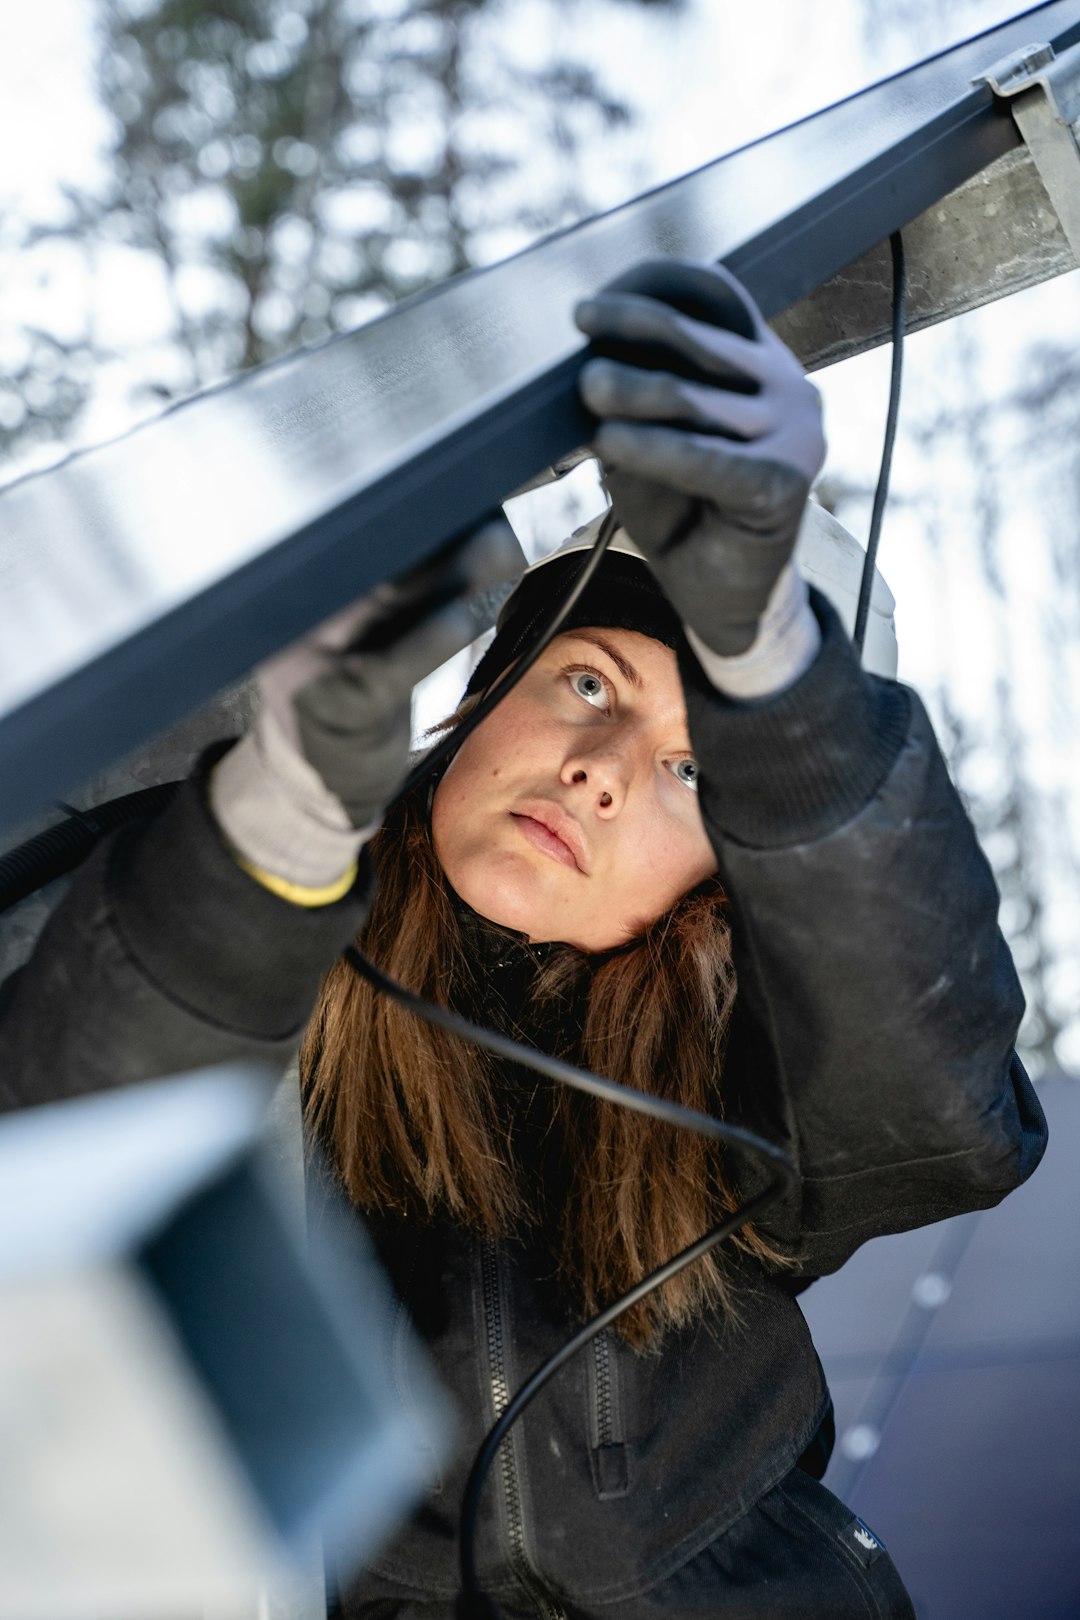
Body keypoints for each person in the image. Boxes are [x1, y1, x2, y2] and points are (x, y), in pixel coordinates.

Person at [0, 261, 1046, 1620]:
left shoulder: (748, 1090)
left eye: (694, 772)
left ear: (733, 882)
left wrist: (785, 685)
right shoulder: (238, 893)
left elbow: (939, 1104)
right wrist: (279, 824)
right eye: (589, 682)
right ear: (486, 694)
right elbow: (56, 1112)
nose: (604, 767)